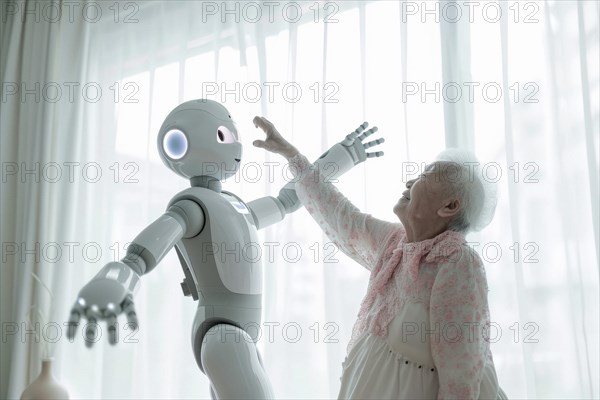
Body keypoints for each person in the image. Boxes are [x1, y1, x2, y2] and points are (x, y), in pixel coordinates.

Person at [253, 116, 508, 399]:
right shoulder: (395, 243)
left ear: (449, 206)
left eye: (423, 176)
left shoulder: (458, 262)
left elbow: (461, 374)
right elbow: (342, 217)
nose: (410, 180)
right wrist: (292, 155)